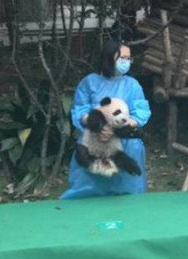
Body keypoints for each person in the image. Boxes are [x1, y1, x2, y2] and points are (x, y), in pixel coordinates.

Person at [61, 40, 151, 199]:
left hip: (125, 140)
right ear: (109, 58)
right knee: (87, 191)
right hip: (94, 139)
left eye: (129, 58)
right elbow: (79, 110)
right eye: (122, 57)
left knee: (129, 188)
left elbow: (141, 112)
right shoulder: (89, 82)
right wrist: (99, 126)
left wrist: (116, 128)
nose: (127, 62)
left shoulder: (133, 85)